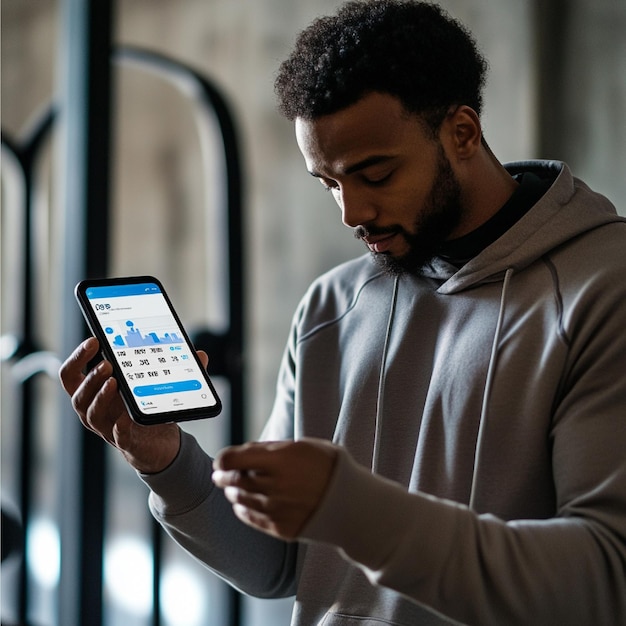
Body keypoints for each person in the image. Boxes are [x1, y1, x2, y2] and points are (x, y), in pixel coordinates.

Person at [60, 1, 626, 624]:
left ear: (462, 133)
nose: (351, 213)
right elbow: (277, 564)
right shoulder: (332, 305)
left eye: (375, 174)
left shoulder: (605, 286)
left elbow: (604, 577)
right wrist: (164, 460)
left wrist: (353, 509)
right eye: (328, 182)